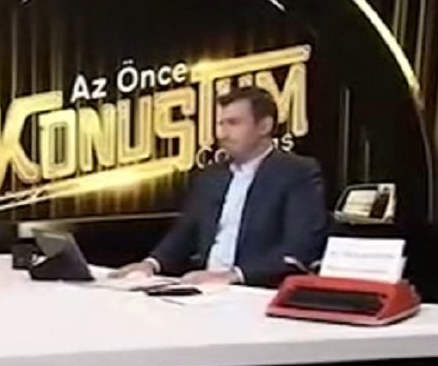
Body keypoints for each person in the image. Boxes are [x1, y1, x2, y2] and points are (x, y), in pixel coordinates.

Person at [111, 86, 327, 287]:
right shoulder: (212, 176)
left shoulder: (297, 172)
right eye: (220, 124)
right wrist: (151, 264)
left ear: (264, 126)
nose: (222, 134)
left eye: (233, 123)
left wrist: (232, 276)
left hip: (256, 291)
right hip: (205, 289)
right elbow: (185, 233)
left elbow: (300, 249)